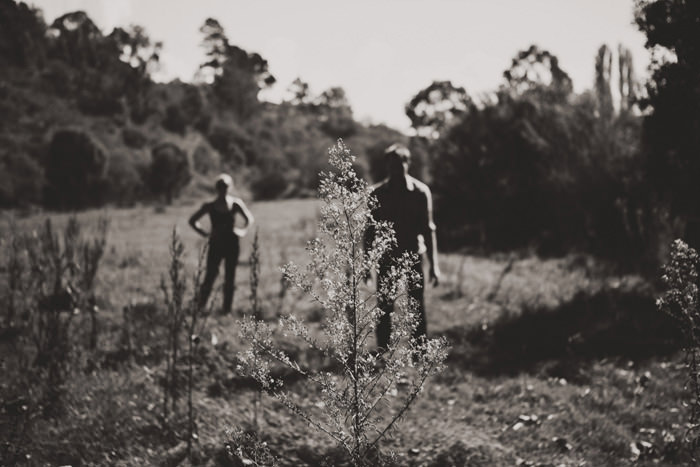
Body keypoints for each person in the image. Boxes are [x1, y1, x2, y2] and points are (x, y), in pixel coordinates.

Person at [365, 143, 441, 351]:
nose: (395, 170)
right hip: (386, 258)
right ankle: (383, 352)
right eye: (391, 165)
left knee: (416, 305)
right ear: (387, 166)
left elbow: (428, 229)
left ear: (408, 164)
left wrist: (434, 266)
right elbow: (369, 231)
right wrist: (366, 265)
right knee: (385, 305)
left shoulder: (420, 192)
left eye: (399, 165)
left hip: (414, 256)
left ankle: (419, 352)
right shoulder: (377, 194)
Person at [189, 174, 253, 314]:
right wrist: (205, 234)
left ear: (229, 188)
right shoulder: (210, 206)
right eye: (220, 186)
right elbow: (193, 221)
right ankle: (200, 306)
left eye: (225, 186)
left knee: (230, 276)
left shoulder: (235, 204)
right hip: (216, 244)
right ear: (216, 188)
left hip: (232, 244)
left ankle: (226, 309)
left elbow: (249, 219)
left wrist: (242, 231)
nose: (223, 189)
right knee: (210, 275)